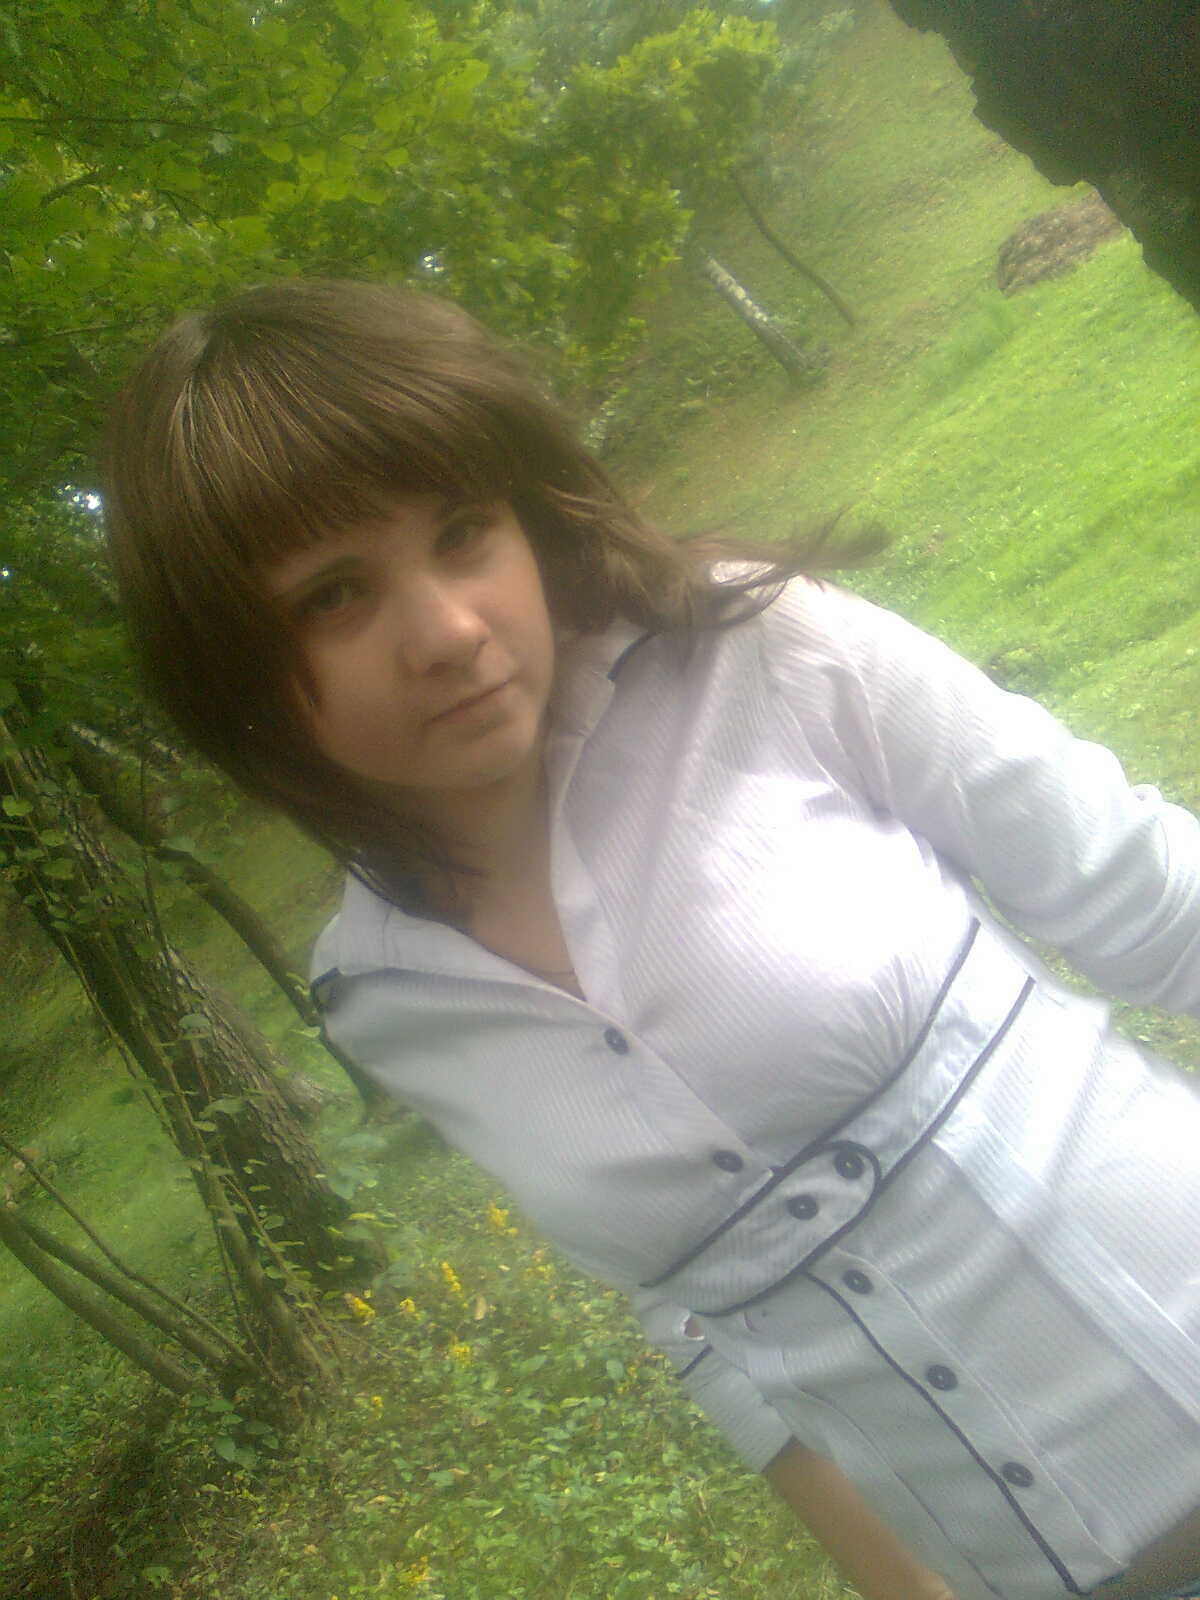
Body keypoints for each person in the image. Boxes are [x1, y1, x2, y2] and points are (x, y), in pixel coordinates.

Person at [103, 278, 1200, 1600]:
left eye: (463, 531)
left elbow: (1155, 900)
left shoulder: (755, 651)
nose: (450, 631)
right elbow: (685, 1304)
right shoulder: (377, 999)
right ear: (235, 675)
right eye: (336, 596)